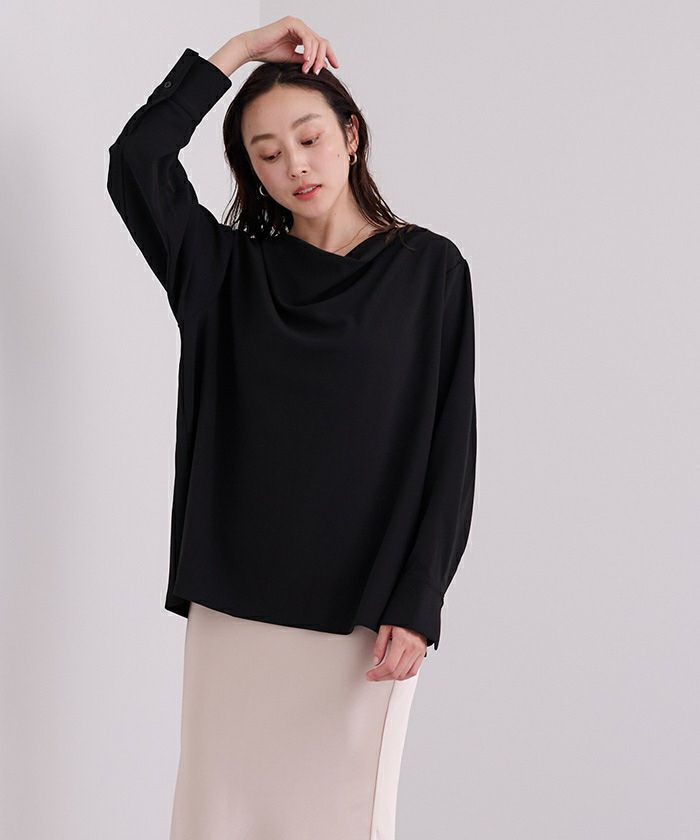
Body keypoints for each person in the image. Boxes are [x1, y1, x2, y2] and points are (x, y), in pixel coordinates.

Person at [106, 16, 477, 840]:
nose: (295, 166)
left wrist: (421, 600)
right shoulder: (223, 272)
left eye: (308, 139)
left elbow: (450, 448)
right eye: (267, 154)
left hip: (365, 613)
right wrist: (238, 50)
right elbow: (136, 160)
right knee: (217, 820)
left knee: (345, 822)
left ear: (350, 135)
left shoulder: (429, 271)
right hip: (235, 603)